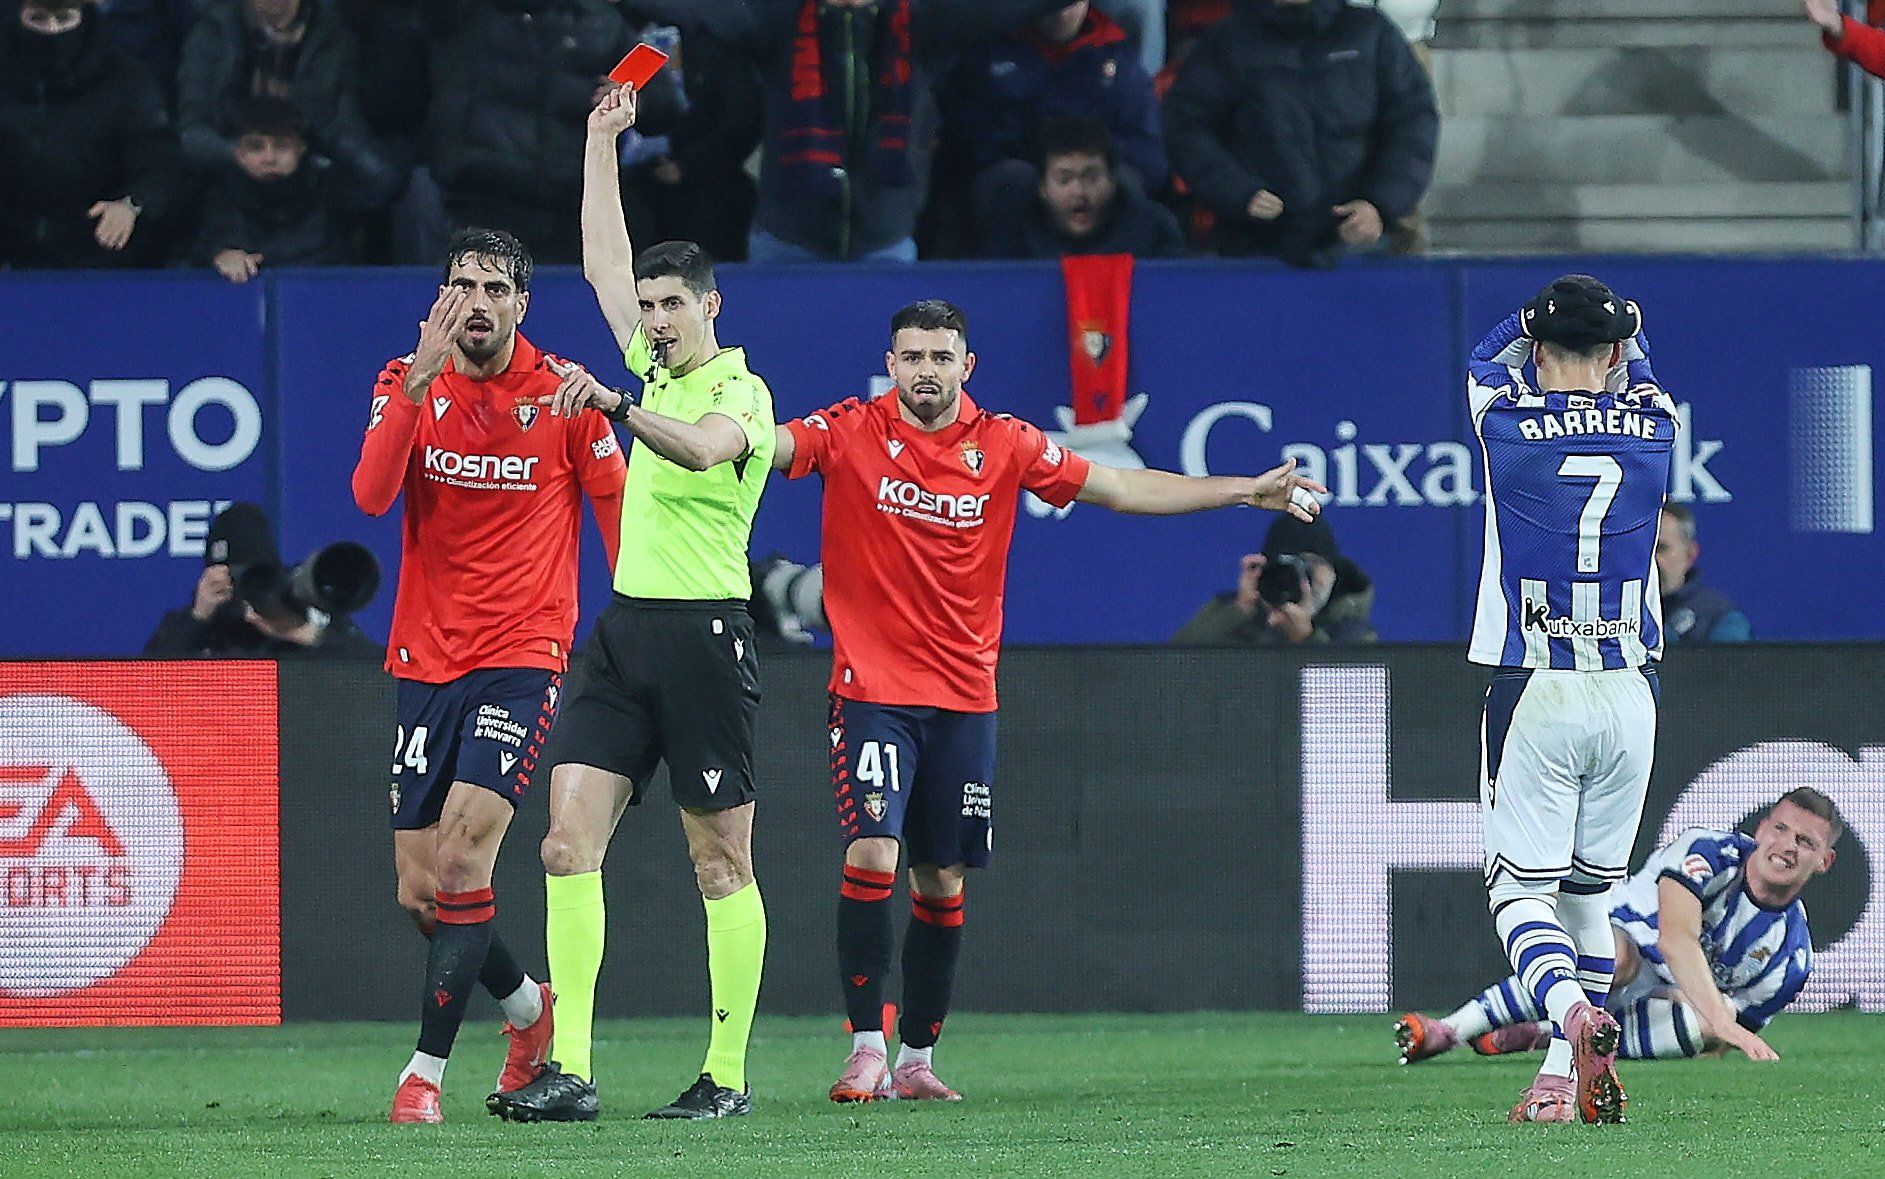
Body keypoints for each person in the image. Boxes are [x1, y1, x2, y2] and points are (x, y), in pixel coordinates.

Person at [771, 298, 1326, 1103]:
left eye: (940, 356)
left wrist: (1243, 490)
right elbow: (765, 443)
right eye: (910, 356)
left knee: (941, 880)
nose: (924, 370)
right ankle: (864, 1046)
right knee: (872, 853)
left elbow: (1123, 488)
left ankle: (917, 1058)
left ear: (967, 366)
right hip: (872, 691)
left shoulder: (1004, 443)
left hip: (965, 696)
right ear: (889, 365)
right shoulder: (849, 429)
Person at [488, 83, 777, 1123]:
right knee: (564, 844)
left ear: (711, 308)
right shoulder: (649, 369)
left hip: (706, 634)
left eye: (670, 306)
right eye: (647, 308)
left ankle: (727, 1077)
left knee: (718, 859)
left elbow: (705, 452)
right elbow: (603, 260)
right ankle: (570, 1068)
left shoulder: (736, 394)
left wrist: (614, 404)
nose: (651, 318)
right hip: (622, 632)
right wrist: (598, 145)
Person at [351, 226, 629, 1124]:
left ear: (521, 303)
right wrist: (419, 383)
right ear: (442, 300)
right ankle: (526, 1008)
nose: (476, 301)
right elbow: (369, 494)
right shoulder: (405, 380)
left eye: (494, 287)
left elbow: (621, 519)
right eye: (461, 285)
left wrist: (636, 627)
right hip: (424, 654)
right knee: (424, 890)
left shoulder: (566, 398)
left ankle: (423, 1074)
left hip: (523, 655)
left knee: (468, 852)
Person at [1465, 275, 1676, 1124]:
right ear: (1619, 356)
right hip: (1630, 692)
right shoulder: (1657, 422)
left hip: (1537, 684)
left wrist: (1528, 321)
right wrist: (1617, 332)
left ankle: (1569, 1015)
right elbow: (1638, 361)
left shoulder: (1506, 420)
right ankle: (1559, 1076)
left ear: (1540, 352)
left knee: (1518, 893)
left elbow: (1483, 356)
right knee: (1590, 896)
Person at [1397, 788, 1841, 1066]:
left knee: (1713, 1020)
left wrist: (1712, 1020)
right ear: (1761, 829)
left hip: (1666, 1007)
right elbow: (1673, 938)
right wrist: (1716, 1015)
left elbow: (1725, 1041)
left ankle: (1548, 1035)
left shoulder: (1792, 959)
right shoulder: (1709, 852)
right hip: (1619, 945)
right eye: (1781, 829)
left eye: (1805, 842)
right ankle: (1450, 1030)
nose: (1787, 846)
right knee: (1616, 957)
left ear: (1824, 862)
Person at [716, 0, 1074, 263]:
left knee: (889, 363)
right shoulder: (776, 18)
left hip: (884, 246)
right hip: (787, 244)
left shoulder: (923, 23)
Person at [1162, 0, 1436, 267]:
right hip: (1257, 250)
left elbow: (1413, 123)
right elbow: (1186, 126)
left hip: (1363, 246)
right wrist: (1238, 191)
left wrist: (1379, 205)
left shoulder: (1370, 32)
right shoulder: (1225, 43)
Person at [0, 0, 188, 268]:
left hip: (101, 251)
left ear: (84, 18)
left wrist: (132, 204)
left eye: (64, 19)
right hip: (11, 251)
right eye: (38, 20)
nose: (52, 32)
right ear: (17, 18)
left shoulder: (126, 81)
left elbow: (160, 162)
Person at [942, 0, 1168, 193]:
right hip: (1018, 193)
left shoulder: (1120, 59)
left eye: (1071, 3)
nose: (1061, 13)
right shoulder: (990, 52)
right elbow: (968, 142)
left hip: (1100, 201)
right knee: (1008, 179)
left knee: (1124, 182)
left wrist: (1086, 156)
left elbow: (1150, 157)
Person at [176, 0, 396, 197]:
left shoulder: (332, 36)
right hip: (227, 179)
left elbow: (345, 124)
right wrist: (239, 153)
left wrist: (297, 152)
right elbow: (191, 131)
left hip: (309, 171)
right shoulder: (213, 33)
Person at [143, 501, 379, 658]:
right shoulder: (207, 628)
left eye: (258, 576)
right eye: (229, 576)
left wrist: (301, 632)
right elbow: (143, 688)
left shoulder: (302, 614)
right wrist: (198, 618)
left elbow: (375, 670)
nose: (248, 588)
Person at [193, 96, 392, 280]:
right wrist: (219, 256)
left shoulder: (331, 191)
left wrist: (327, 128)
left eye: (281, 146)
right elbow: (197, 251)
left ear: (301, 148)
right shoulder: (217, 200)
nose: (269, 158)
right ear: (238, 153)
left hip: (325, 304)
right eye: (255, 147)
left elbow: (383, 182)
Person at [975, 116, 1188, 259]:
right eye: (1064, 180)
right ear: (1042, 188)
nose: (1079, 191)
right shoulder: (1013, 233)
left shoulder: (1153, 228)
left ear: (1113, 180)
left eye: (1091, 177)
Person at [1172, 513, 1376, 645]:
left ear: (1333, 572)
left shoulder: (1352, 632)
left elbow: (1355, 701)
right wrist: (1239, 610)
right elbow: (1170, 670)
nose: (1303, 578)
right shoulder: (1235, 616)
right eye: (1292, 566)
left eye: (1313, 564)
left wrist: (1307, 640)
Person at [1656, 504, 1751, 644]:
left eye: (1661, 548)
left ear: (1689, 554)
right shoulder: (1616, 610)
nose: (1651, 561)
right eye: (1643, 551)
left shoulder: (1718, 619)